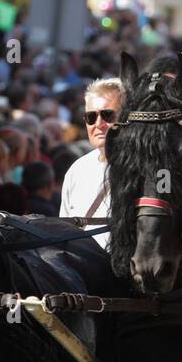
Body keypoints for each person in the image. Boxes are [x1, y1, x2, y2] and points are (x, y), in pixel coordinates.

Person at [58, 77, 122, 246]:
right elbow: (64, 234)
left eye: (107, 115)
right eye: (91, 117)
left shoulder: (145, 168)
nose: (98, 124)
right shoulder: (77, 169)